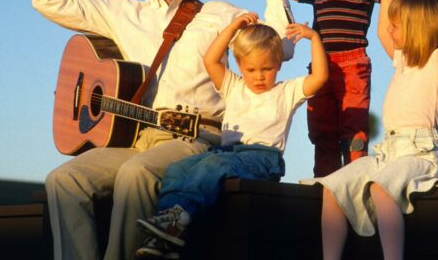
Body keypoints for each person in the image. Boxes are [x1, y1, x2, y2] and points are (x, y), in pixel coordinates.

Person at [32, 0, 294, 259]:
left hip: (198, 138)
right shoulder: (124, 13)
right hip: (139, 139)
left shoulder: (220, 13)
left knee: (136, 173)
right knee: (64, 180)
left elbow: (281, 45)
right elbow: (47, 0)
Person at [134, 14, 328, 258]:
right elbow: (210, 59)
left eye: (267, 69)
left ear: (279, 63)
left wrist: (314, 38)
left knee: (215, 165)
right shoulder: (233, 86)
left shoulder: (286, 91)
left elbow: (320, 77)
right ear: (238, 64)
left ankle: (179, 216)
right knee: (178, 169)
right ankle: (167, 232)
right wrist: (233, 27)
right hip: (228, 152)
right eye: (251, 69)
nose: (259, 76)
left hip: (262, 157)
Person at [314, 0, 438, 260]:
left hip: (419, 153)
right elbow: (384, 32)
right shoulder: (402, 61)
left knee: (381, 189)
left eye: (398, 25)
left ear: (416, 28)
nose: (390, 29)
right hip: (388, 152)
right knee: (333, 186)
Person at [282, 0, 392, 177]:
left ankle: (355, 178)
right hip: (321, 67)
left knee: (353, 128)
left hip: (353, 63)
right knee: (322, 128)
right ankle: (325, 182)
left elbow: (393, 4)